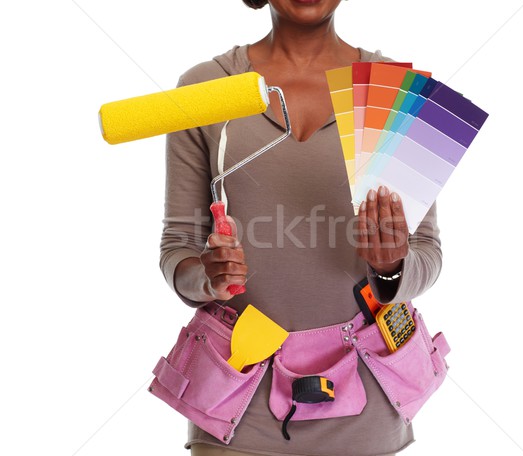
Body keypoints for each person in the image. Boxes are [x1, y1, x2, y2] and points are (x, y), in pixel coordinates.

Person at [159, 0, 442, 454]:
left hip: (368, 406)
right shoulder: (203, 90)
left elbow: (427, 253)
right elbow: (177, 249)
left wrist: (391, 266)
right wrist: (208, 276)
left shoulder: (399, 92)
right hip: (236, 408)